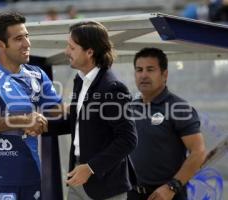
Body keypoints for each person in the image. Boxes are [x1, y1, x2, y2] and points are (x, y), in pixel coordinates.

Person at [0, 12, 62, 200]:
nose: (27, 44)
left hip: (32, 178)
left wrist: (91, 105)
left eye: (27, 36)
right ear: (1, 44)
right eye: (19, 39)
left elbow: (58, 112)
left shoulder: (37, 74)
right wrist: (22, 120)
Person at [46, 21, 137, 200]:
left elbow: (128, 139)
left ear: (90, 52)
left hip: (106, 184)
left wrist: (90, 168)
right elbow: (79, 122)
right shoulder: (80, 81)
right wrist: (43, 127)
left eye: (72, 48)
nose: (66, 52)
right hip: (78, 178)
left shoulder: (112, 88)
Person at [128, 47, 207, 200]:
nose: (143, 75)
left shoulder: (179, 108)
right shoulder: (130, 107)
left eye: (150, 69)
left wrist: (172, 186)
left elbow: (199, 152)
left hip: (167, 195)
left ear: (164, 75)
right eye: (139, 70)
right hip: (132, 194)